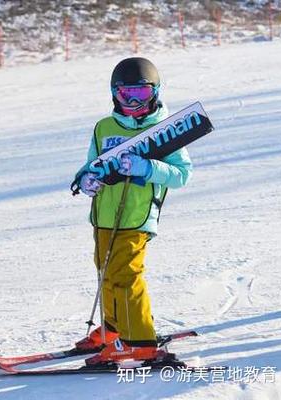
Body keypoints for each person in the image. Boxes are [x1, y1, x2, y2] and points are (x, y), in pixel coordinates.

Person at [73, 57, 193, 363]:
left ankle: (138, 340)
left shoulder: (165, 131)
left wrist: (147, 167)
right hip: (104, 214)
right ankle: (114, 328)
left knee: (125, 274)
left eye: (142, 94)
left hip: (136, 216)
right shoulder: (104, 128)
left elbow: (181, 174)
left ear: (156, 92)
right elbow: (91, 164)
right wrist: (85, 179)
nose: (134, 102)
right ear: (115, 93)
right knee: (106, 271)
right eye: (127, 94)